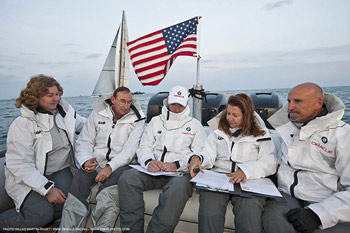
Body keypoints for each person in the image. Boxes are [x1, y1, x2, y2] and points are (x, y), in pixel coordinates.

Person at [0, 74, 86, 231]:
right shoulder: (22, 124)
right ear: (36, 97)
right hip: (29, 177)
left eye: (57, 94)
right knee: (41, 214)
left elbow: (86, 127)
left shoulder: (65, 113)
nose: (55, 99)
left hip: (60, 170)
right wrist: (47, 189)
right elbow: (19, 165)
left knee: (69, 201)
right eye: (49, 95)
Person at [262, 82, 350, 233]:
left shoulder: (343, 135)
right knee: (272, 222)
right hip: (287, 195)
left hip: (327, 200)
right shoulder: (289, 129)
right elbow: (278, 161)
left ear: (318, 103)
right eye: (289, 101)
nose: (289, 107)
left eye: (298, 101)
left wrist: (318, 214)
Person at [118, 86, 207, 233]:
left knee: (177, 189)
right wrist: (149, 162)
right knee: (127, 178)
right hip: (154, 170)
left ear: (186, 104)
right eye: (174, 104)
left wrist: (176, 165)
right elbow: (144, 146)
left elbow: (198, 154)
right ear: (167, 102)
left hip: (179, 174)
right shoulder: (155, 121)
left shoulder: (195, 125)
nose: (177, 108)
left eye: (180, 105)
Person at [59, 87, 145, 232]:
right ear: (113, 100)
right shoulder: (97, 114)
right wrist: (86, 160)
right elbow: (85, 140)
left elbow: (130, 151)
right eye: (122, 101)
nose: (126, 106)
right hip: (95, 161)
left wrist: (110, 167)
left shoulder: (138, 119)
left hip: (121, 165)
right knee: (79, 181)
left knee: (109, 193)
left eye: (129, 102)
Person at [189, 93, 277, 233]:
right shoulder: (218, 131)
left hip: (249, 181)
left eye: (235, 115)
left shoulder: (261, 134)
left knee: (248, 218)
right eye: (228, 113)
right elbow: (208, 154)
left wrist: (245, 171)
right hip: (219, 178)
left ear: (246, 115)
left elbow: (269, 162)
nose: (229, 118)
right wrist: (197, 158)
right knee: (208, 213)